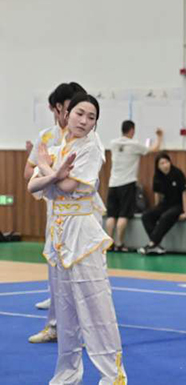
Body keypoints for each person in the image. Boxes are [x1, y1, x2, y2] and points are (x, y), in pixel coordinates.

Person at [27, 92, 127, 384]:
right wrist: (52, 172)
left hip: (83, 234)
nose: (84, 121)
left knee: (96, 308)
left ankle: (113, 376)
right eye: (79, 113)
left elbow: (69, 185)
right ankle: (67, 374)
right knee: (66, 311)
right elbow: (32, 187)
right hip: (58, 234)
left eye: (91, 117)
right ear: (66, 114)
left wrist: (48, 170)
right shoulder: (56, 147)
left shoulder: (92, 147)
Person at [24, 82, 86, 344]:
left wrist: (49, 171)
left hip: (82, 216)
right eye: (72, 109)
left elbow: (76, 180)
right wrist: (48, 170)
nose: (79, 117)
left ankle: (85, 332)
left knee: (82, 277)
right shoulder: (47, 137)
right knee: (55, 273)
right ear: (58, 108)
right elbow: (28, 173)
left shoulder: (85, 139)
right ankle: (54, 327)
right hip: (55, 213)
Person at [105, 120, 162, 251]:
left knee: (111, 215)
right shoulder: (134, 145)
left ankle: (108, 244)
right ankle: (119, 244)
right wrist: (159, 137)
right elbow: (154, 149)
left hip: (112, 184)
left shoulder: (113, 143)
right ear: (132, 130)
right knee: (123, 215)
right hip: (127, 184)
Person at [138, 152, 186, 254]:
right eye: (162, 163)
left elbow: (185, 193)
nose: (165, 165)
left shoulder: (177, 173)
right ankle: (156, 245)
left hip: (178, 205)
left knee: (165, 216)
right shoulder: (157, 176)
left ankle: (152, 244)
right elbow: (157, 194)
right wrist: (157, 208)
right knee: (146, 216)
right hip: (165, 204)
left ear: (170, 162)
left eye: (166, 162)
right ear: (158, 166)